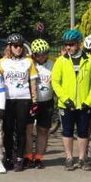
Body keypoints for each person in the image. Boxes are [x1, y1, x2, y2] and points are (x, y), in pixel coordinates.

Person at [51, 29, 91, 171]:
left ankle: (83, 158)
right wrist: (65, 99)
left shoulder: (90, 60)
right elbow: (55, 82)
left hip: (84, 103)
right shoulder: (61, 61)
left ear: (79, 44)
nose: (68, 47)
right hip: (67, 104)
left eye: (71, 44)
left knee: (83, 131)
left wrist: (88, 101)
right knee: (67, 131)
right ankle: (69, 158)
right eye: (66, 45)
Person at [0, 33, 38, 171]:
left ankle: (20, 158)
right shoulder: (2, 62)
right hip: (7, 100)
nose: (18, 48)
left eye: (21, 46)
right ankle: (8, 157)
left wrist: (34, 100)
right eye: (15, 46)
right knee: (7, 130)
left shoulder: (28, 61)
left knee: (21, 130)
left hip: (23, 99)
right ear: (10, 47)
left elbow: (32, 82)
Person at [28, 39, 54, 168]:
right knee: (28, 130)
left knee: (43, 130)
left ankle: (38, 157)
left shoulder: (53, 63)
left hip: (47, 102)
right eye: (39, 54)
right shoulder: (29, 63)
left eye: (45, 53)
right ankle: (27, 156)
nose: (42, 56)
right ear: (33, 54)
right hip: (31, 102)